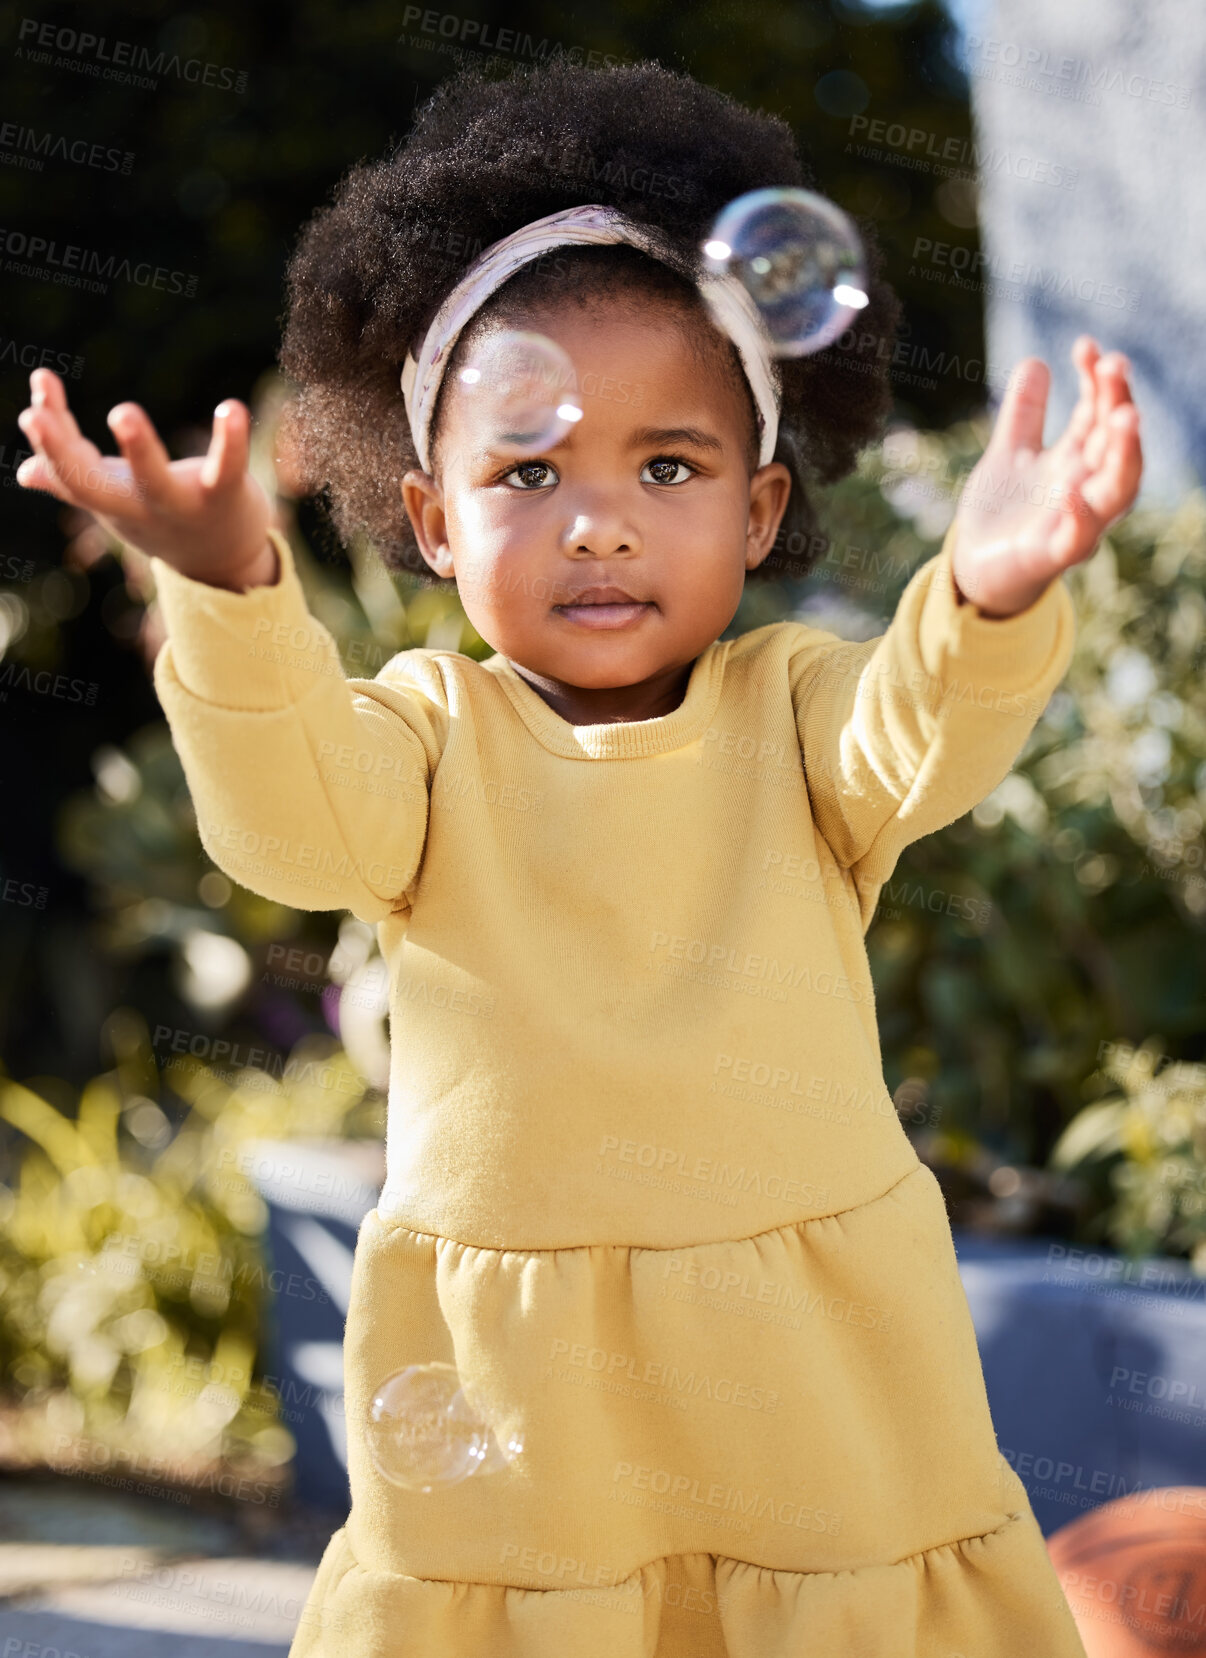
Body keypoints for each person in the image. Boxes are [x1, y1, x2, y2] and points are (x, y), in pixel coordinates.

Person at [16, 56, 1140, 1658]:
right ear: (429, 515)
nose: (597, 522)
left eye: (665, 467)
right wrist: (231, 588)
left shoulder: (797, 709)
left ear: (760, 511)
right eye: (527, 472)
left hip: (808, 1369)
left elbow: (921, 733)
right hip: (515, 1394)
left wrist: (989, 593)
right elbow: (286, 814)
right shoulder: (423, 731)